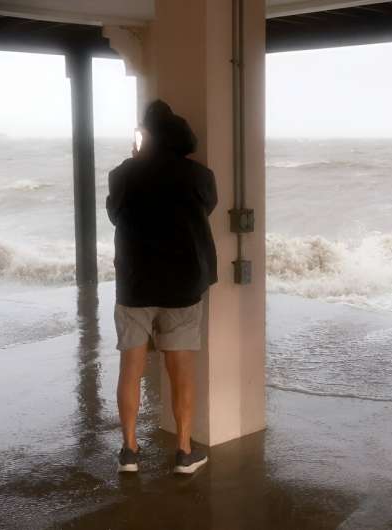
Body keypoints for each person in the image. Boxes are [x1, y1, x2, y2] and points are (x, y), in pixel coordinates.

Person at [106, 100, 217, 475]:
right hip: (182, 285)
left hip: (134, 284)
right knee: (181, 370)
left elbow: (114, 214)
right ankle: (184, 451)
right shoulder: (199, 176)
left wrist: (135, 159)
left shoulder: (122, 174)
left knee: (130, 369)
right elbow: (207, 209)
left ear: (146, 136)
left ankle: (129, 451)